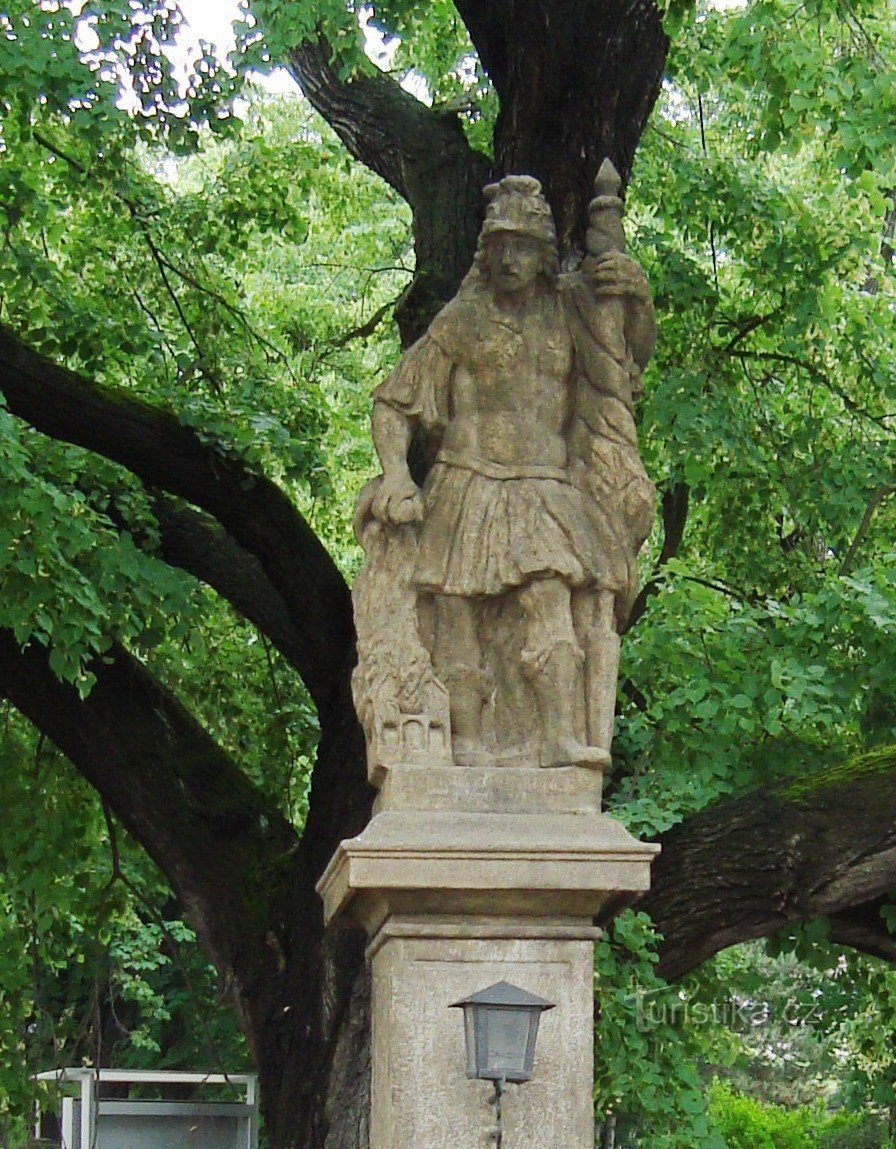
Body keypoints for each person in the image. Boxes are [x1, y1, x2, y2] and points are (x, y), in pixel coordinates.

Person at [365, 173, 654, 770]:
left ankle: (558, 739)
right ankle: (465, 748)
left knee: (550, 598)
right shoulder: (464, 317)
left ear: (543, 251)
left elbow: (625, 356)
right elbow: (396, 400)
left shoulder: (572, 307)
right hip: (467, 482)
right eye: (499, 246)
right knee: (458, 619)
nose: (509, 259)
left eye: (521, 245)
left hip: (544, 488)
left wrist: (639, 296)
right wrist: (395, 473)